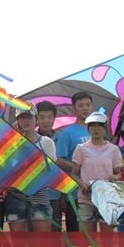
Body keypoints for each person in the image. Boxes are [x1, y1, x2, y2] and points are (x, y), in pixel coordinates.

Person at [4, 106, 56, 232]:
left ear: (36, 119)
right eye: (22, 117)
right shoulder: (10, 143)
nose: (26, 121)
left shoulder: (46, 142)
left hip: (39, 195)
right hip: (15, 196)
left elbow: (50, 170)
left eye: (29, 117)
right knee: (18, 241)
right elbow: (5, 170)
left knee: (42, 240)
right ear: (17, 121)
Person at [72, 111, 122, 233]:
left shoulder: (114, 149)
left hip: (107, 199)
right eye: (92, 125)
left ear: (105, 128)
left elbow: (118, 173)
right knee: (86, 238)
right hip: (86, 199)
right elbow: (73, 174)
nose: (96, 129)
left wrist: (115, 177)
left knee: (107, 238)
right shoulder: (81, 149)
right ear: (88, 128)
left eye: (99, 125)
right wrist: (82, 185)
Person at [56, 92, 93, 231]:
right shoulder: (67, 133)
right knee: (76, 233)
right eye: (81, 105)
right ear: (74, 108)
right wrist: (80, 168)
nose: (85, 108)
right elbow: (59, 160)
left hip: (97, 192)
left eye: (88, 105)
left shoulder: (99, 131)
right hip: (75, 192)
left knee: (94, 235)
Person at [36, 100, 63, 231]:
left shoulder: (62, 138)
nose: (46, 121)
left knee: (55, 233)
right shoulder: (28, 139)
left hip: (55, 195)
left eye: (49, 117)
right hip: (34, 195)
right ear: (36, 119)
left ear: (54, 118)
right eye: (42, 117)